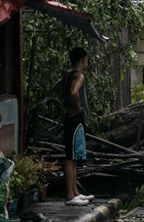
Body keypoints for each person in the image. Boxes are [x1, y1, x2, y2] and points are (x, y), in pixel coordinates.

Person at [58, 47, 95, 206]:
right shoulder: (79, 75)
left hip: (68, 117)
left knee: (73, 156)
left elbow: (56, 88)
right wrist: (77, 107)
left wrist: (65, 103)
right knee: (70, 157)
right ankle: (70, 195)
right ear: (82, 60)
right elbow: (74, 92)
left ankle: (75, 192)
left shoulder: (68, 74)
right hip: (75, 118)